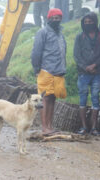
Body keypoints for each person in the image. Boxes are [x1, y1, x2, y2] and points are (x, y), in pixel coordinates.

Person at [31, 8, 67, 136]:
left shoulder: (60, 34)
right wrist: (36, 69)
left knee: (52, 98)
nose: (56, 20)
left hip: (58, 72)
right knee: (45, 99)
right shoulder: (42, 32)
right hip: (46, 70)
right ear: (48, 19)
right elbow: (36, 52)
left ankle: (50, 126)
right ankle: (44, 127)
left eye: (58, 18)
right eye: (53, 18)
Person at [74, 12, 100, 136]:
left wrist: (94, 65)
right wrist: (86, 67)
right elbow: (77, 56)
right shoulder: (80, 37)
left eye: (90, 22)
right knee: (82, 99)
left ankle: (94, 127)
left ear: (95, 22)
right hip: (83, 73)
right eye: (86, 22)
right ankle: (84, 127)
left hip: (98, 72)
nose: (88, 24)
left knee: (95, 98)